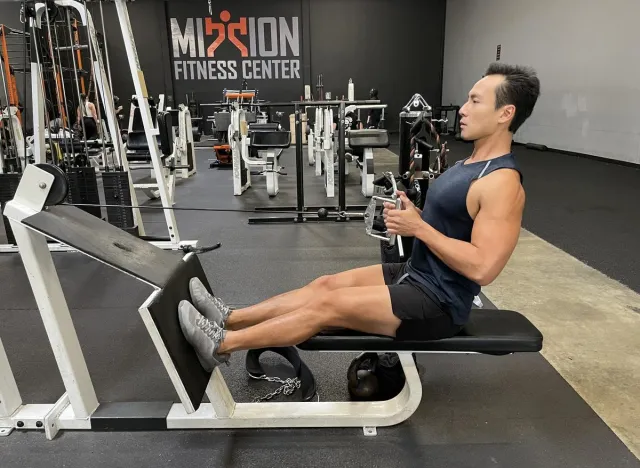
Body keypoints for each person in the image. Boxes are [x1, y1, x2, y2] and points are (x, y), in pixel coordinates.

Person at [178, 62, 541, 371]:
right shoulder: (470, 164)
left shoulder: (502, 183)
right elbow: (449, 226)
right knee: (324, 286)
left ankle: (221, 344)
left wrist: (420, 228)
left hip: (439, 302)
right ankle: (230, 317)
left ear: (504, 114)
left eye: (475, 101)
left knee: (326, 306)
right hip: (417, 273)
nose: (462, 108)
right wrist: (413, 216)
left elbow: (483, 269)